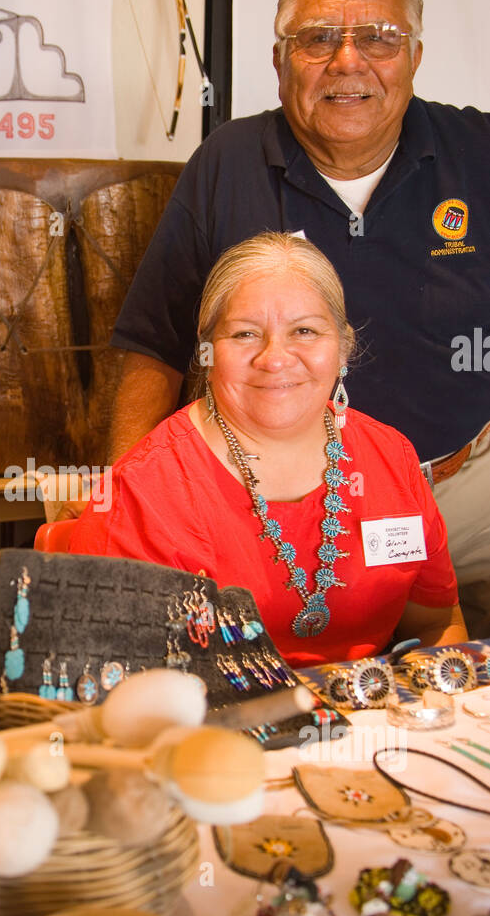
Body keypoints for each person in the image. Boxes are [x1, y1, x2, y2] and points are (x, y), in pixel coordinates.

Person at [106, 0, 490, 634]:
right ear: (280, 60)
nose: (347, 61)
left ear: (414, 55)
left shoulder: (479, 151)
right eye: (316, 39)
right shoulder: (226, 161)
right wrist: (118, 504)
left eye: (378, 37)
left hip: (462, 487)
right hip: (271, 505)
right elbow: (153, 343)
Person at [70, 233, 466, 668]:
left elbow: (436, 624)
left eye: (305, 330)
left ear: (343, 348)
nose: (275, 359)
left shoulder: (392, 457)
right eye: (244, 334)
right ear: (207, 352)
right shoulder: (142, 490)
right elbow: (106, 683)